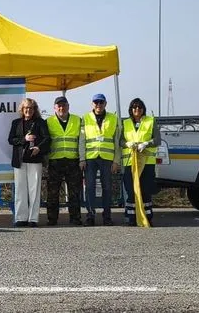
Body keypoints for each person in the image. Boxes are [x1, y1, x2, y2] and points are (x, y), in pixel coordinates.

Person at [7, 98, 50, 227]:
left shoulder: (40, 123)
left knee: (34, 191)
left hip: (35, 161)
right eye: (26, 108)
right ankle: (21, 218)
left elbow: (47, 139)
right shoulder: (16, 123)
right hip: (19, 161)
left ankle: (33, 219)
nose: (28, 110)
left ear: (34, 109)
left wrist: (39, 148)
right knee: (20, 190)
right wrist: (24, 139)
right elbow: (11, 140)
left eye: (31, 108)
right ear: (22, 109)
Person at [81, 93, 121, 227]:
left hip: (107, 158)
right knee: (90, 187)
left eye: (101, 102)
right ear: (92, 104)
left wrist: (116, 161)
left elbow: (117, 140)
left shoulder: (113, 118)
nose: (98, 105)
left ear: (105, 104)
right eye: (96, 102)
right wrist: (82, 158)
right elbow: (82, 140)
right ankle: (90, 215)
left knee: (107, 188)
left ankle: (107, 216)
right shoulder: (85, 118)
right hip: (90, 158)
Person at [120, 98, 161, 226]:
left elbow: (158, 139)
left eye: (139, 107)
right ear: (131, 110)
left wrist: (147, 143)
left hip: (147, 162)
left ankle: (147, 217)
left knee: (145, 190)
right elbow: (120, 141)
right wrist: (127, 143)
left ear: (143, 109)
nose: (137, 109)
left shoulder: (150, 121)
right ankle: (131, 217)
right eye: (134, 107)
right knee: (131, 191)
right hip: (130, 162)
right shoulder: (125, 123)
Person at [45, 96, 85, 226]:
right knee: (52, 192)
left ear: (68, 106)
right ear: (54, 108)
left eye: (64, 105)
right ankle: (52, 219)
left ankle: (75, 218)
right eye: (59, 106)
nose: (61, 108)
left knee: (74, 192)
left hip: (73, 160)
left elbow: (81, 141)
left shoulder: (77, 120)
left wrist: (82, 159)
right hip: (55, 161)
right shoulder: (48, 121)